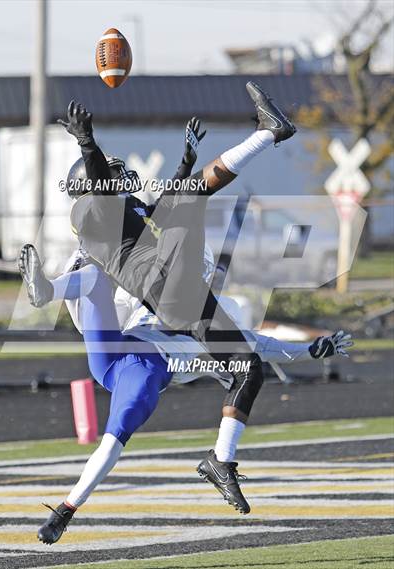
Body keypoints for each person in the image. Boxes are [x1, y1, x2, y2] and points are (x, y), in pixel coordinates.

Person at [55, 83, 297, 500]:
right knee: (191, 197)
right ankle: (270, 132)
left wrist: (185, 164)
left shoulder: (124, 205)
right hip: (160, 283)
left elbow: (163, 209)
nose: (120, 176)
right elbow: (100, 186)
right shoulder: (87, 210)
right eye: (111, 173)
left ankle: (220, 460)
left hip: (185, 299)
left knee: (247, 369)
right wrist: (87, 143)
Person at [19, 243, 353, 544]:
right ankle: (45, 291)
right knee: (92, 276)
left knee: (113, 440)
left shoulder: (211, 320)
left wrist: (311, 350)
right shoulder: (155, 290)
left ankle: (64, 512)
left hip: (146, 371)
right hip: (116, 346)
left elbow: (259, 344)